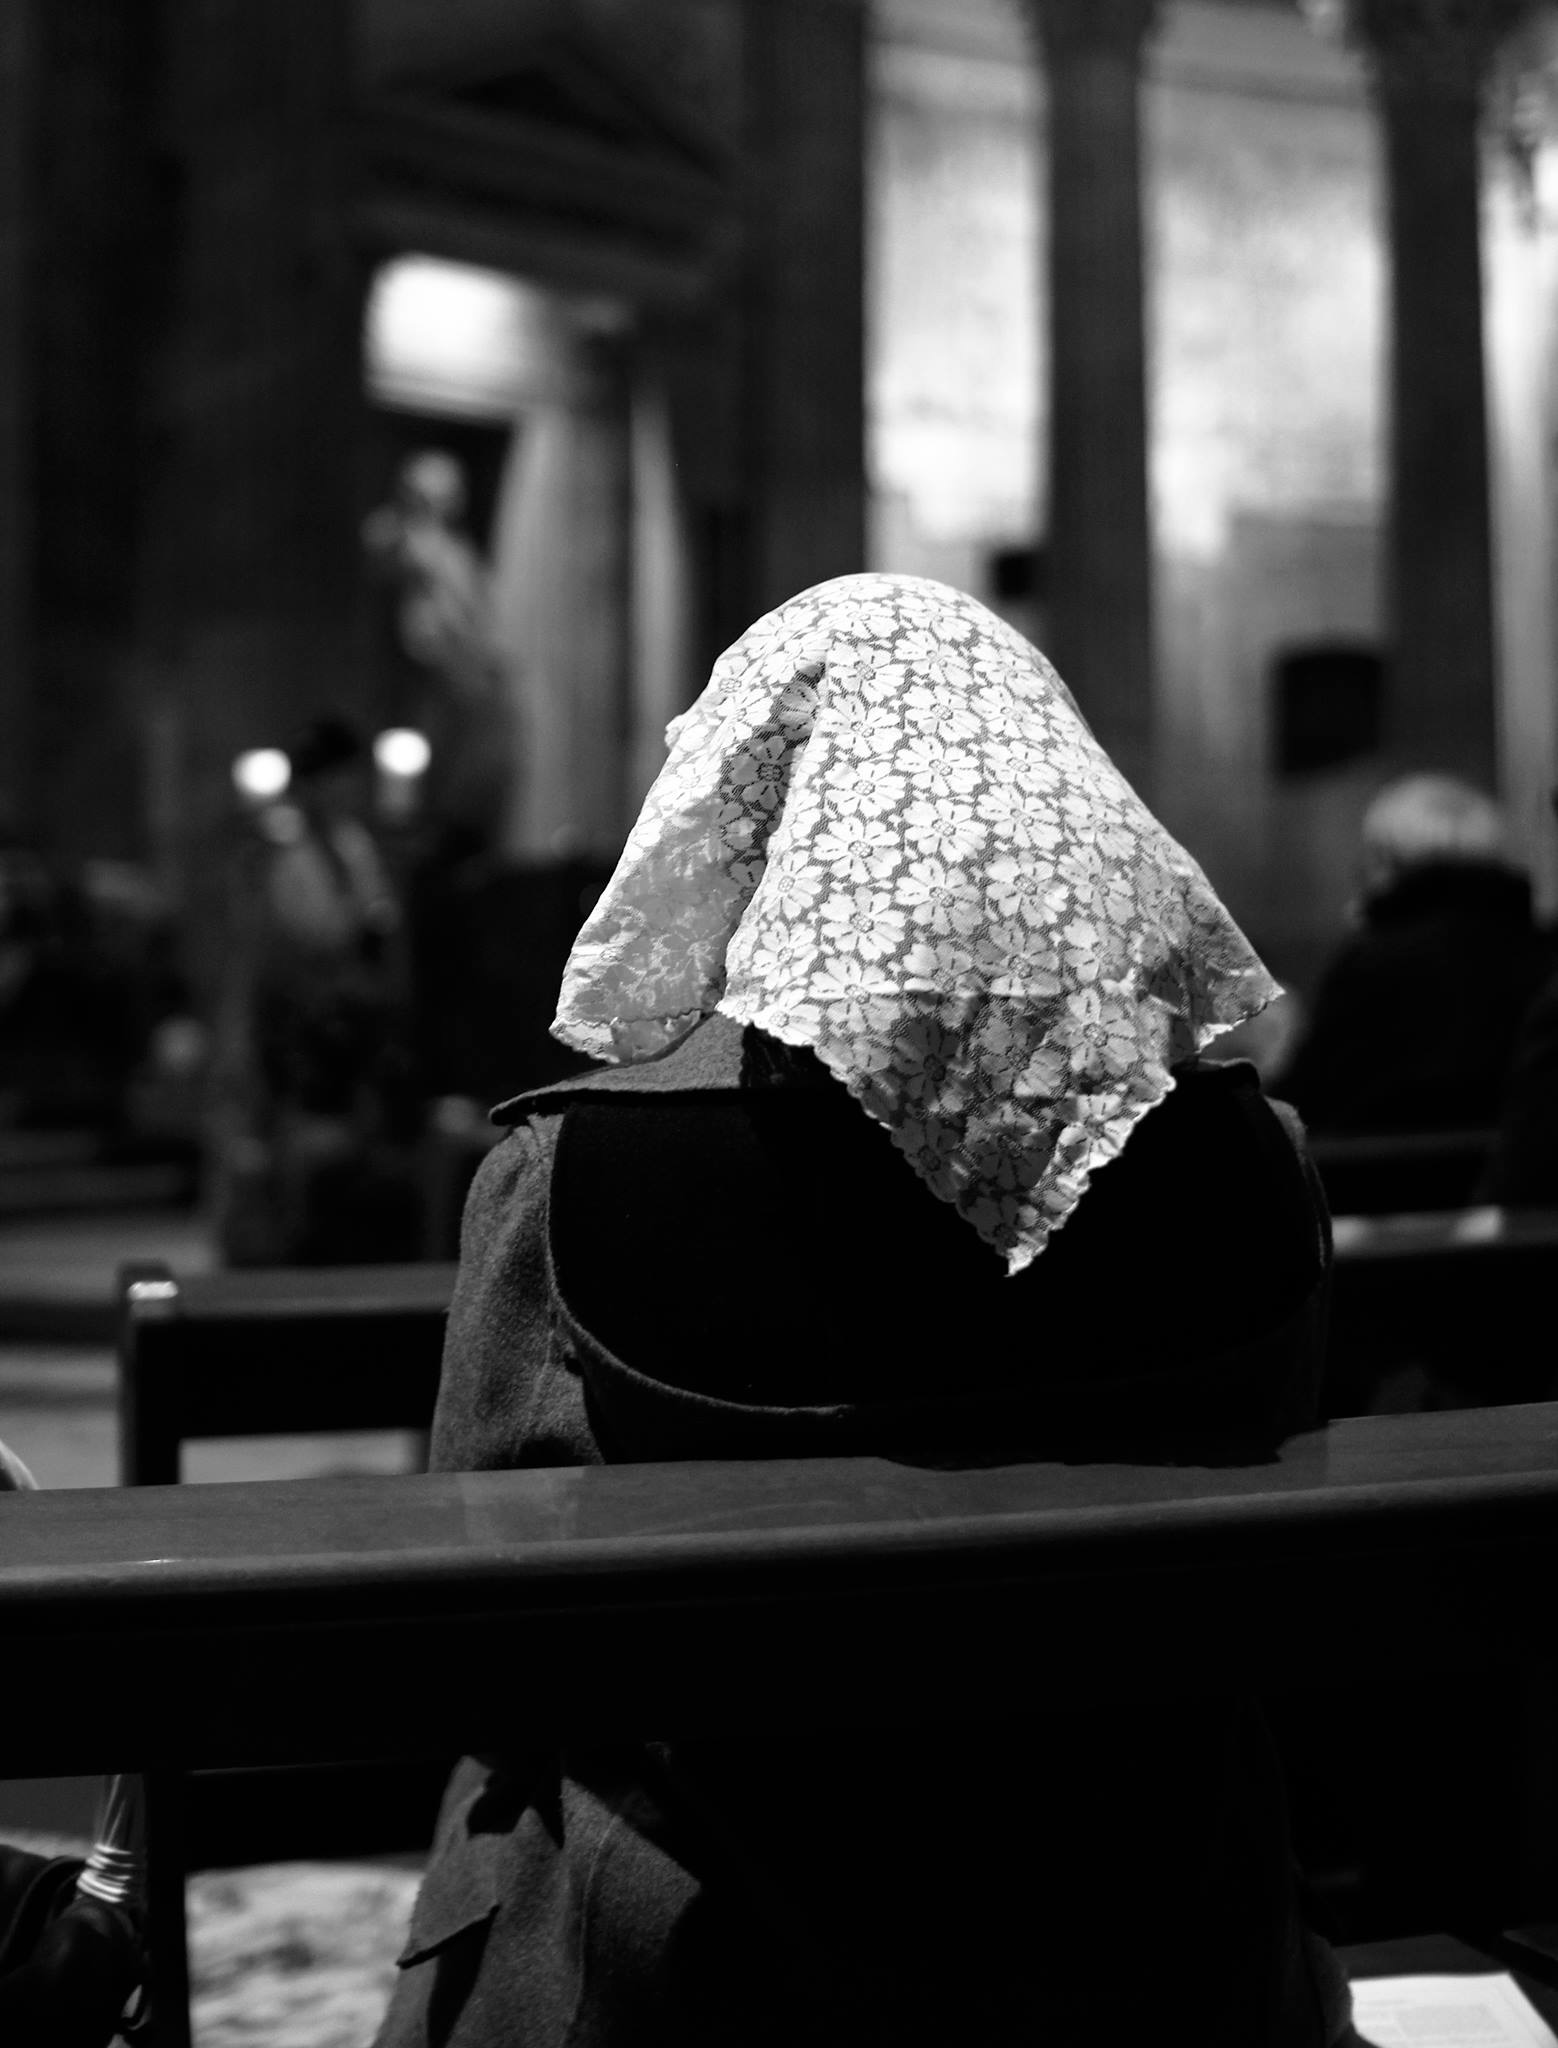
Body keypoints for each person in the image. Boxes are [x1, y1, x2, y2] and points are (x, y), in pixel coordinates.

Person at [374, 574, 1350, 2048]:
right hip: (1165, 1939)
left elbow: (481, 1623)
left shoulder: (571, 1169)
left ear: (756, 816)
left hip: (693, 1957)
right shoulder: (1249, 1160)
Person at [210, 714, 417, 1263]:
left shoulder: (353, 844)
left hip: (350, 1022)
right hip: (295, 1023)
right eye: (334, 778)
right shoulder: (279, 849)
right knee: (282, 1150)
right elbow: (284, 941)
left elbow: (375, 918)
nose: (346, 790)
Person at [1274, 775, 1551, 1135]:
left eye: (1370, 860)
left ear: (1388, 862)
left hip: (1380, 1164)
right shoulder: (1539, 952)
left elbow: (1312, 1098)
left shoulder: (1376, 961)